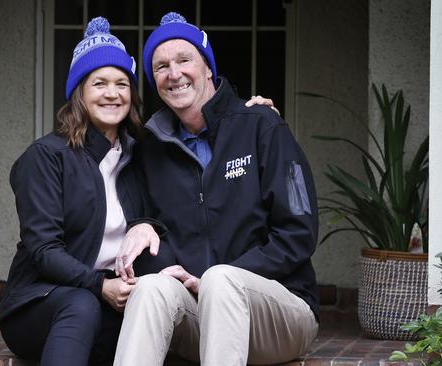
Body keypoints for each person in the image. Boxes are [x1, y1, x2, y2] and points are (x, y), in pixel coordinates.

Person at [113, 12, 320, 366]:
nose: (173, 73)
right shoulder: (150, 149)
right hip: (203, 318)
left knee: (222, 280)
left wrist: (209, 279)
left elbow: (299, 233)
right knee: (150, 289)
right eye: (161, 66)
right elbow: (157, 233)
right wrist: (146, 228)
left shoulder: (262, 126)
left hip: (281, 312)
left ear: (207, 67)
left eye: (183, 60)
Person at [0, 17, 168, 366]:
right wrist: (99, 286)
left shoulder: (138, 156)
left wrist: (252, 115)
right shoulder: (46, 157)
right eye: (99, 83)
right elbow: (44, 251)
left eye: (122, 83)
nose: (112, 93)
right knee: (81, 303)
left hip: (111, 300)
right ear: (80, 92)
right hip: (40, 303)